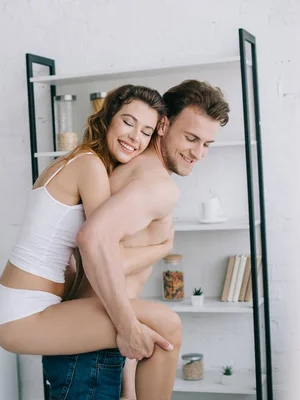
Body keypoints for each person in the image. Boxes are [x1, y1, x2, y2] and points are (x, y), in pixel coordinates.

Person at [0, 84, 182, 399]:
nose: (135, 137)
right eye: (128, 122)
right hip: (23, 313)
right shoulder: (89, 166)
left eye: (146, 131)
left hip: (17, 305)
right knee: (165, 325)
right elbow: (108, 257)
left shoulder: (76, 161)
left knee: (159, 326)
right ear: (107, 119)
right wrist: (161, 249)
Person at [42, 79, 230, 400]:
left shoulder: (131, 168)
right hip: (93, 352)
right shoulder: (157, 185)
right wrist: (162, 248)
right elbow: (92, 241)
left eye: (207, 143)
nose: (198, 153)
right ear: (163, 125)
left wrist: (127, 379)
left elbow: (113, 271)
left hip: (92, 344)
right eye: (191, 138)